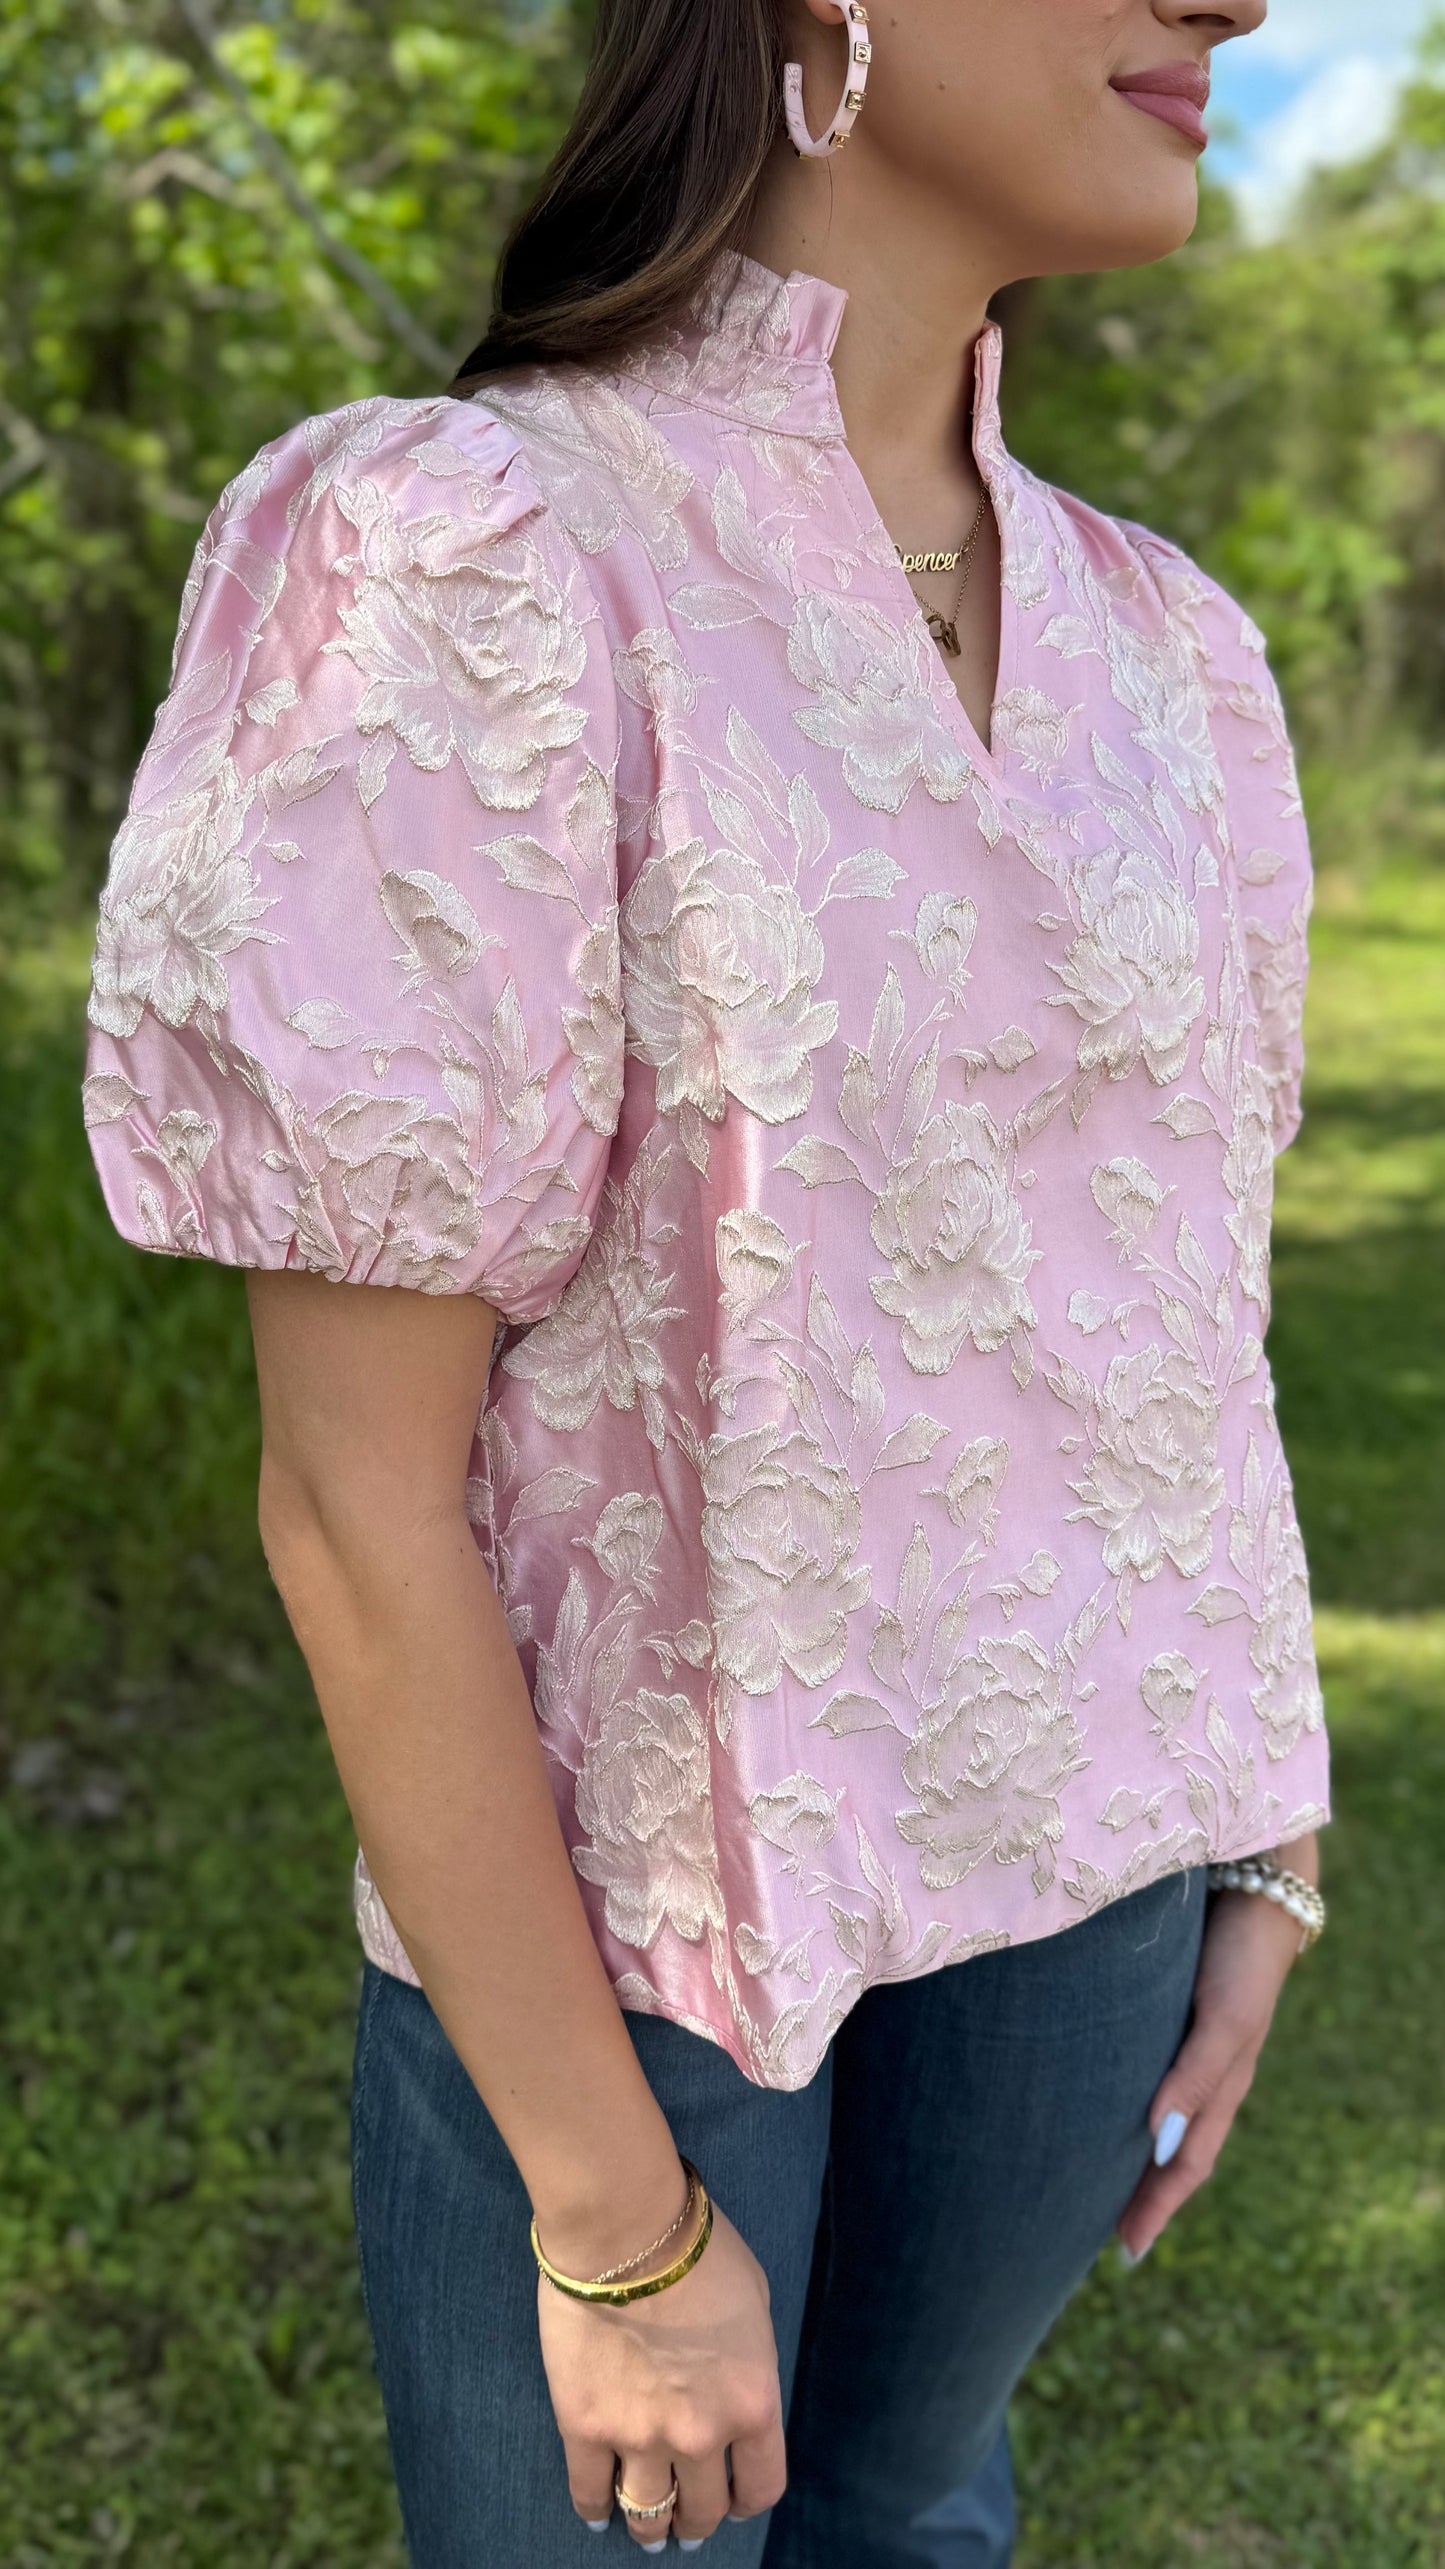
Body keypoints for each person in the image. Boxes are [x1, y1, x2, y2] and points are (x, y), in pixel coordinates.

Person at [82, 0, 1332, 2558]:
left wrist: (1265, 1826)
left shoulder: (1174, 653)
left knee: (920, 2522)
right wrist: (616, 2221)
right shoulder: (475, 552)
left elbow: (1178, 1315)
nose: (1234, 0)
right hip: (635, 1943)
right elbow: (351, 1494)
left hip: (1086, 1872)